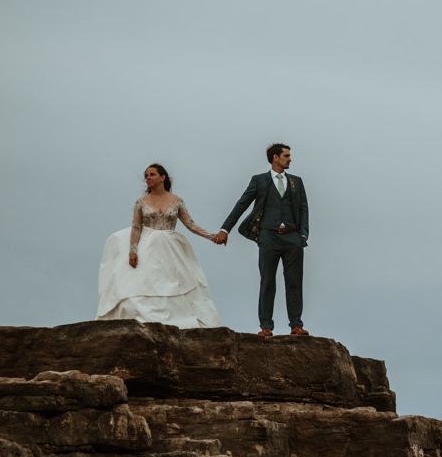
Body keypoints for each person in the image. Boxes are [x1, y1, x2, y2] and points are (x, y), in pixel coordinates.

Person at [97, 164, 222, 329]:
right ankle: (144, 318)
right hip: (147, 245)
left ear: (163, 177)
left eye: (152, 174)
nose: (148, 178)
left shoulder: (176, 200)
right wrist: (132, 251)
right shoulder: (141, 202)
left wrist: (212, 237)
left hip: (170, 247)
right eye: (146, 175)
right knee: (146, 282)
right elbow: (136, 227)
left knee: (174, 283)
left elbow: (190, 224)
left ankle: (178, 321)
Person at [215, 143, 309, 338]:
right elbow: (241, 205)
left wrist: (303, 236)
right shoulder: (259, 181)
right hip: (268, 237)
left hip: (292, 238)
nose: (290, 159)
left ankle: (296, 325)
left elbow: (303, 209)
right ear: (275, 157)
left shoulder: (296, 182)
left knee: (294, 282)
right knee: (267, 281)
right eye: (286, 155)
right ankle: (266, 326)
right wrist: (225, 229)